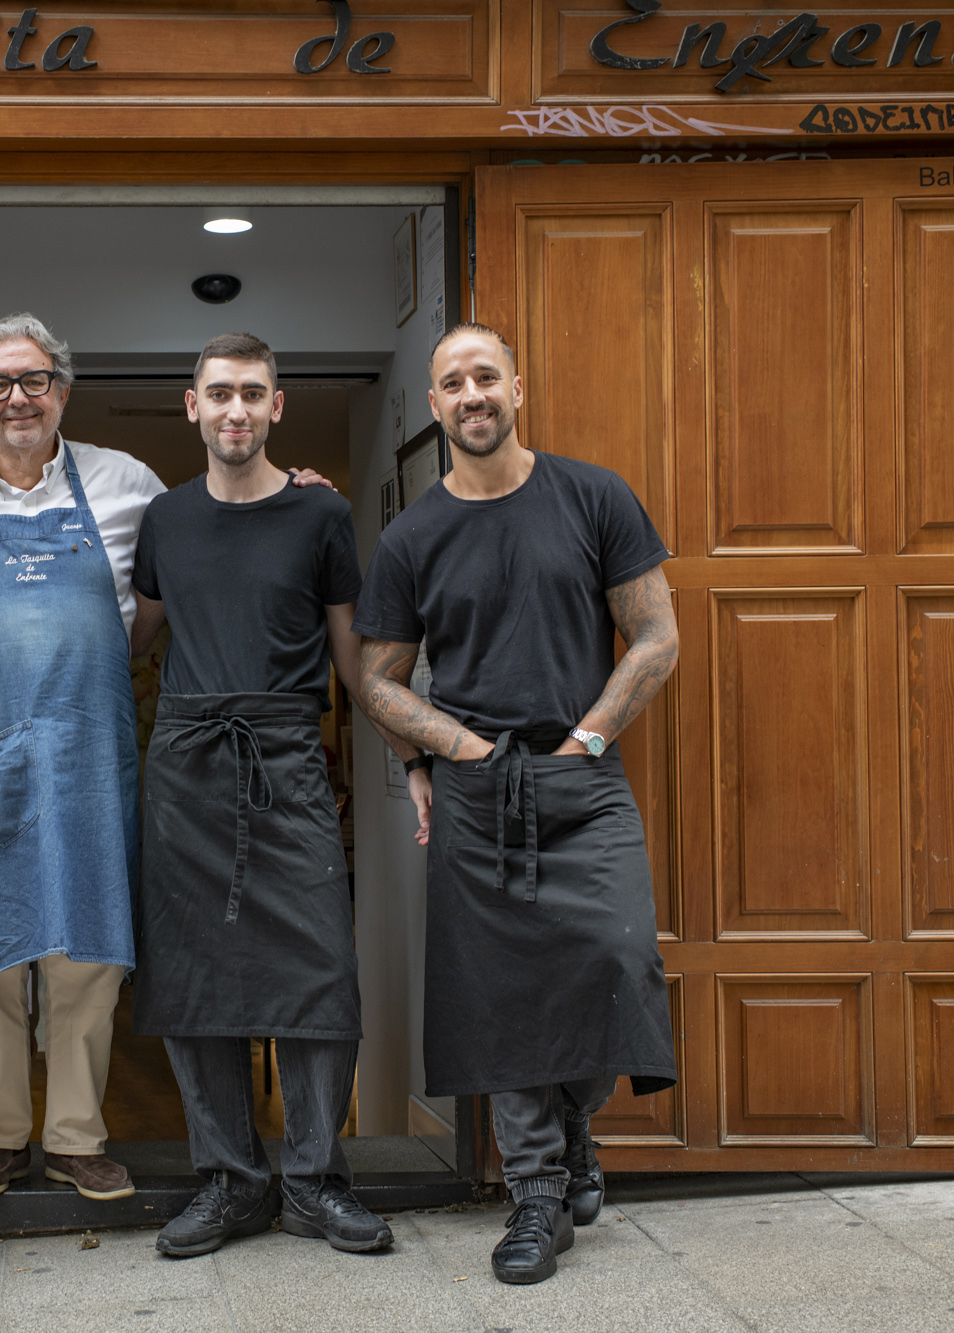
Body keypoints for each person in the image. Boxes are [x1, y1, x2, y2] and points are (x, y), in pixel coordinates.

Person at [353, 322, 679, 1286]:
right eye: (452, 383)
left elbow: (656, 634)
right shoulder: (412, 536)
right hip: (480, 786)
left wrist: (587, 736)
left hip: (583, 777)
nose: (471, 395)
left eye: (484, 376)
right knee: (499, 995)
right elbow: (378, 681)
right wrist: (449, 751)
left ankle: (576, 1124)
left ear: (517, 388)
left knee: (614, 958)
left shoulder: (592, 494)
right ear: (436, 403)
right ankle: (536, 1189)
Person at [128, 333, 428, 1258]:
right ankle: (228, 1180)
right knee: (192, 976)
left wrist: (411, 754)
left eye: (252, 394)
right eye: (219, 393)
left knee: (319, 972)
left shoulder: (321, 516)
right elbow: (133, 639)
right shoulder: (164, 521)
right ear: (192, 405)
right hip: (185, 757)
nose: (235, 411)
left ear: (277, 407)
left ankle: (312, 1180)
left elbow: (356, 663)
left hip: (288, 751)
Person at [0, 313, 164, 1203]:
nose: (18, 398)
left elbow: (157, 609)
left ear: (64, 388)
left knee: (89, 950)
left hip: (89, 752)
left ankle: (78, 1136)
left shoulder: (128, 484)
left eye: (35, 379)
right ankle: (1, 1134)